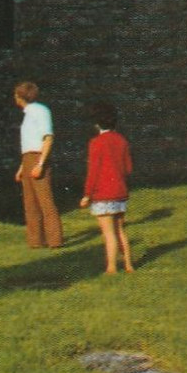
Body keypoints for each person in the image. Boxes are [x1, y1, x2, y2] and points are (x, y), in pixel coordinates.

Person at [79, 101, 134, 274]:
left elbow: (93, 171)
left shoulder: (96, 143)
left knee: (108, 234)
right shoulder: (122, 141)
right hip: (120, 193)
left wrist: (87, 194)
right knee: (120, 231)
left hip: (103, 194)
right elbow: (128, 168)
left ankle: (111, 267)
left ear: (96, 124)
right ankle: (129, 265)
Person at [13, 80, 63, 248]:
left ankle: (55, 240)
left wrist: (40, 163)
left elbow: (47, 137)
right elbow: (28, 143)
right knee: (30, 202)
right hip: (28, 158)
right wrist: (22, 167)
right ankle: (36, 241)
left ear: (21, 96)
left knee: (45, 200)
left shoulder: (40, 111)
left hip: (38, 157)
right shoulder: (27, 114)